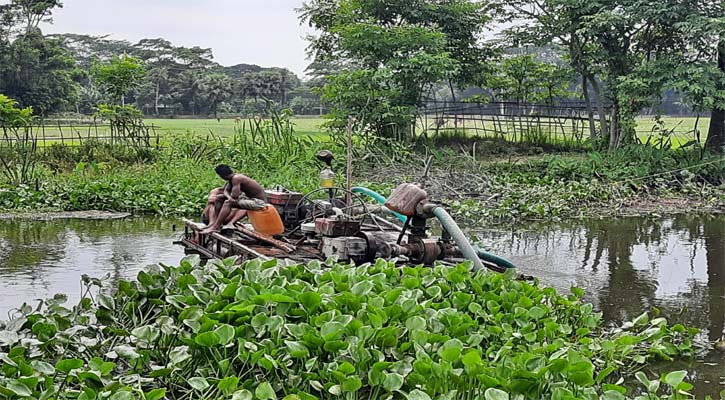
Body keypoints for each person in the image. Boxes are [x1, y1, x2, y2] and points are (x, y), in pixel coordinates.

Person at [201, 164, 267, 233]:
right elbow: (226, 191)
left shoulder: (236, 178)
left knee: (228, 203)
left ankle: (216, 227)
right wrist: (229, 197)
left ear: (222, 176)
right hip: (251, 200)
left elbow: (234, 196)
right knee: (218, 198)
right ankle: (216, 223)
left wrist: (229, 198)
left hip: (259, 203)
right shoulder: (232, 179)